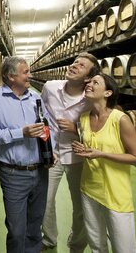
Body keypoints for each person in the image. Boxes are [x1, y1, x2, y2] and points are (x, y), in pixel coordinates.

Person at [0, 56, 57, 253]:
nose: (30, 75)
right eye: (25, 72)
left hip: (41, 171)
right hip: (14, 174)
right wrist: (20, 133)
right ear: (11, 76)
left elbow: (47, 128)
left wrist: (53, 150)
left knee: (34, 226)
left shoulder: (35, 98)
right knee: (16, 230)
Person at [72, 73, 136, 253]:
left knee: (123, 248)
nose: (89, 84)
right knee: (97, 245)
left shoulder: (120, 119)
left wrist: (102, 154)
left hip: (115, 192)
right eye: (89, 81)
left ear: (108, 93)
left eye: (96, 82)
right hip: (89, 188)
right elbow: (91, 147)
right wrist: (82, 149)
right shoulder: (84, 118)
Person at [41, 52, 100, 252]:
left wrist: (75, 130)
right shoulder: (50, 87)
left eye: (81, 66)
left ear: (87, 78)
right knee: (45, 201)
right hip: (52, 155)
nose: (75, 65)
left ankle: (76, 244)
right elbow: (41, 115)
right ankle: (49, 238)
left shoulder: (91, 99)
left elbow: (99, 130)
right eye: (75, 62)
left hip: (78, 156)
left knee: (81, 206)